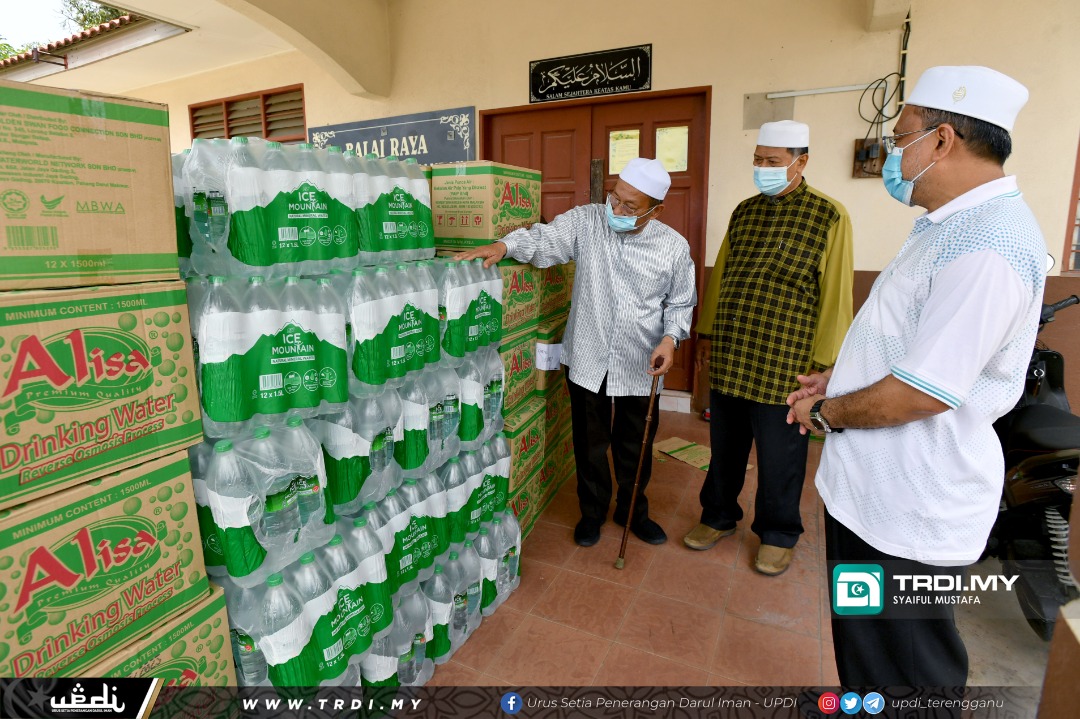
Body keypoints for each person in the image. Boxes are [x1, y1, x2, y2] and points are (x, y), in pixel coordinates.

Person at [787, 66, 1046, 686]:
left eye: (900, 138)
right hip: (871, 500)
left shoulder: (989, 246)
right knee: (863, 652)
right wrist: (837, 379)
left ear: (942, 140)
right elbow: (908, 344)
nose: (892, 154)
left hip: (909, 513)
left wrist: (823, 414)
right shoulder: (947, 224)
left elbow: (921, 393)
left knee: (905, 672)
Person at [457, 158, 696, 547]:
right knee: (590, 443)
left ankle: (633, 512)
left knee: (635, 445)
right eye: (615, 198)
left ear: (656, 211)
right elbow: (544, 239)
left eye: (630, 207)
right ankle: (592, 512)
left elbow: (681, 303)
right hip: (588, 355)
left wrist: (670, 339)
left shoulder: (673, 247)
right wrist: (504, 245)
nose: (616, 209)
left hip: (642, 362)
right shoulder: (587, 222)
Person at [686, 121, 853, 577]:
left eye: (773, 161)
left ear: (801, 162)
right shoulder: (744, 212)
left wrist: (825, 364)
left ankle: (778, 533)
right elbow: (723, 275)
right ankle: (718, 516)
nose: (763, 168)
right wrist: (707, 333)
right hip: (734, 352)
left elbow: (836, 293)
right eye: (758, 159)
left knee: (781, 457)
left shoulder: (829, 215)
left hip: (786, 362)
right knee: (724, 448)